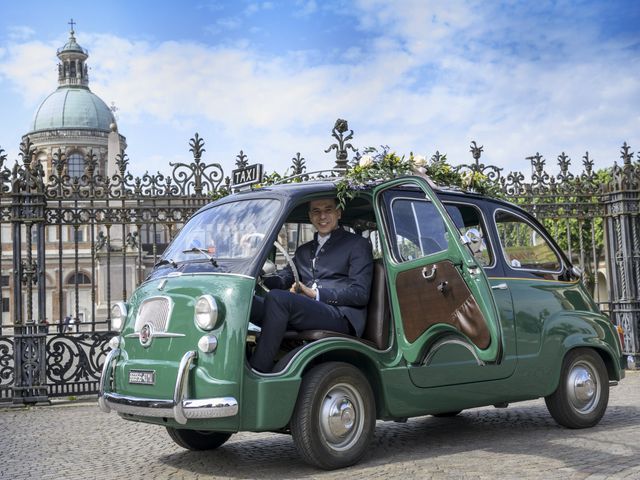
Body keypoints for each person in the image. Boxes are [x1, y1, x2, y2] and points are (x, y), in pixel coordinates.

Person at [249, 197, 374, 373]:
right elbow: (285, 277)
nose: (322, 216)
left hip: (341, 315)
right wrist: (258, 275)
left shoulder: (356, 244)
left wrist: (315, 294)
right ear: (310, 216)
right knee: (246, 303)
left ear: (338, 213)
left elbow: (360, 294)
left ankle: (257, 369)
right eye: (316, 211)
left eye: (328, 210)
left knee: (277, 298)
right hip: (310, 312)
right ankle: (232, 364)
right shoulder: (303, 250)